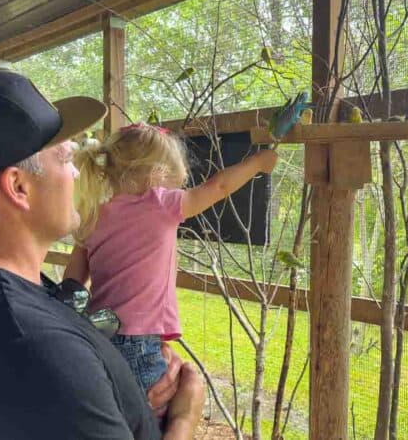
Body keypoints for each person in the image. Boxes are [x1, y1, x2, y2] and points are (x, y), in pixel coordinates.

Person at [0, 70, 204, 439]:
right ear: (18, 186)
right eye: (63, 158)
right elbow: (52, 371)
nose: (76, 172)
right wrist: (185, 416)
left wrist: (122, 373)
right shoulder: (37, 347)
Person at [63, 123, 277, 403]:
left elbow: (72, 284)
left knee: (115, 410)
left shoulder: (92, 214)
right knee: (151, 417)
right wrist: (257, 163)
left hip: (100, 334)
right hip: (137, 342)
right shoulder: (161, 204)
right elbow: (220, 186)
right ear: (155, 173)